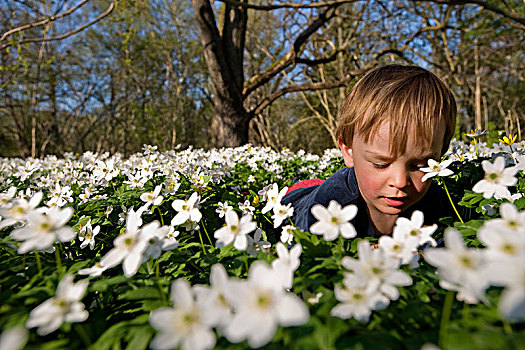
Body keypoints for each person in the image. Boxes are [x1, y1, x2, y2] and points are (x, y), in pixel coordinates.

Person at [281, 64, 457, 237]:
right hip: (296, 201)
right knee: (306, 191)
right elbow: (307, 255)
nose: (400, 182)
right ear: (348, 151)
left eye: (419, 165)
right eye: (381, 164)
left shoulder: (441, 205)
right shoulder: (324, 207)